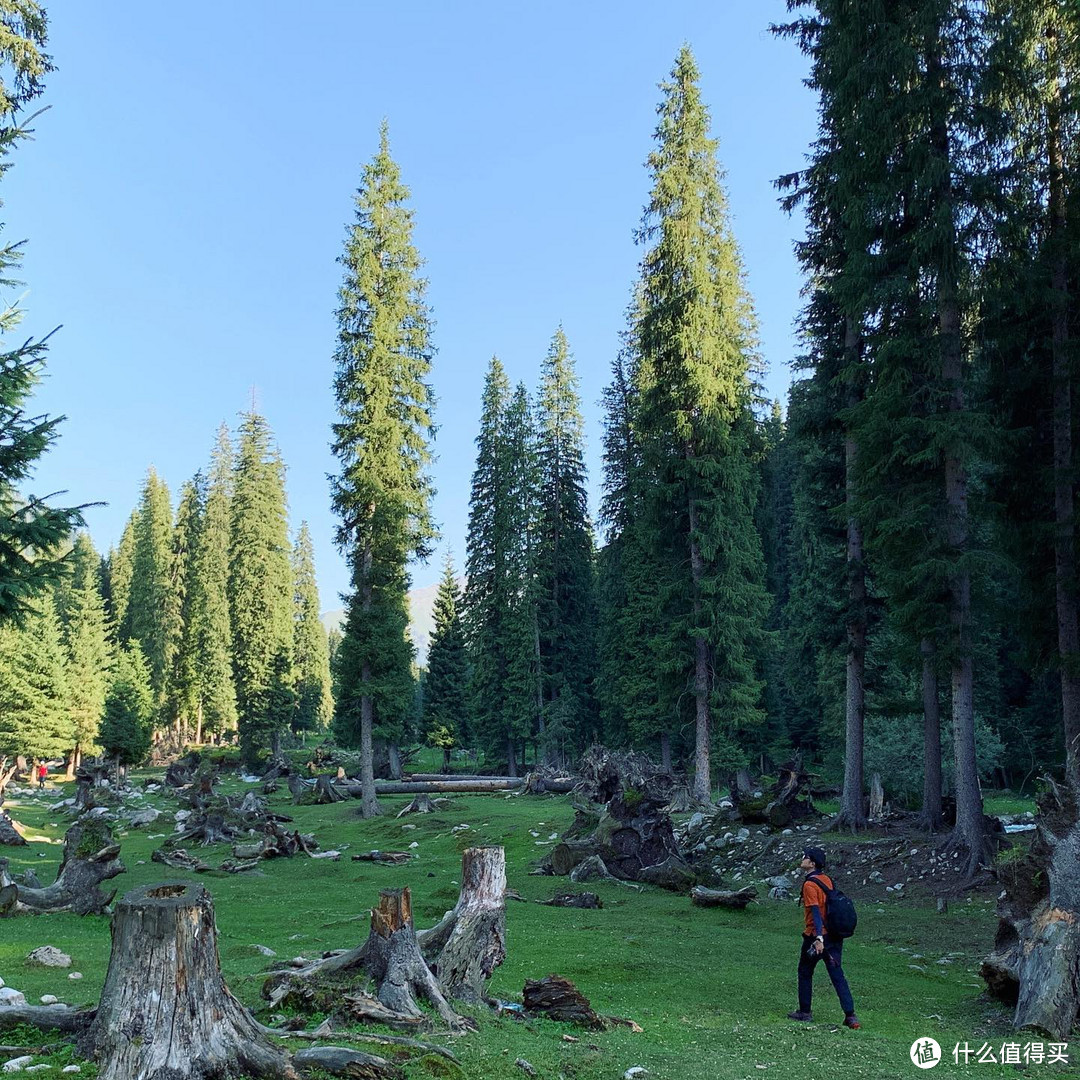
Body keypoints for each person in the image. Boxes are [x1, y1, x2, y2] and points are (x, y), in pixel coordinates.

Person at [787, 845, 860, 1028]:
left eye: (805, 857)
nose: (802, 858)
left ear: (811, 863)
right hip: (835, 937)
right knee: (837, 975)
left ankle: (805, 1012)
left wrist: (818, 938)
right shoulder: (827, 879)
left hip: (816, 937)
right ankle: (851, 1016)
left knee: (804, 972)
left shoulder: (810, 884)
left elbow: (816, 913)